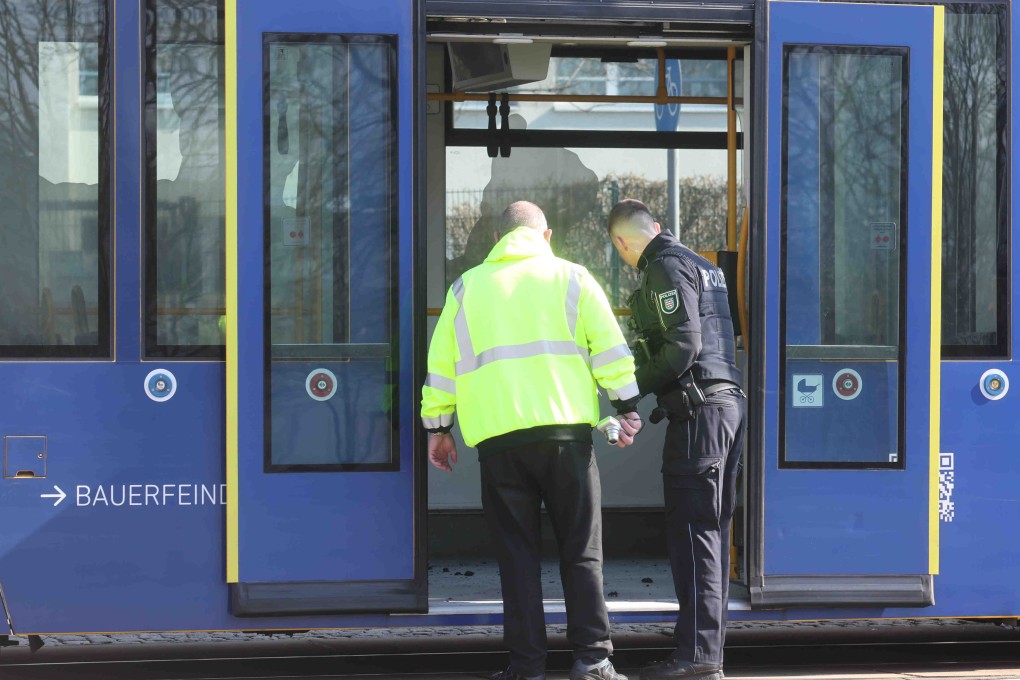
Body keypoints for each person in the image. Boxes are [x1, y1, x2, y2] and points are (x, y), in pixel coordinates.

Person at [422, 201, 643, 680]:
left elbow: (441, 369)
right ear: (545, 236)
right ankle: (592, 660)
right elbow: (609, 348)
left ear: (499, 240)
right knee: (582, 550)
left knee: (517, 558)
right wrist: (626, 405)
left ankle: (526, 666)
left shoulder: (466, 288)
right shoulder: (573, 277)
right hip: (567, 440)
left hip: (500, 445)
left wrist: (438, 430)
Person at [606, 199, 746, 680]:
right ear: (658, 227)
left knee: (694, 538)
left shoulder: (663, 267)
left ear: (622, 242)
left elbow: (684, 345)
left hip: (701, 417)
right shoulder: (702, 266)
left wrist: (628, 390)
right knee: (711, 534)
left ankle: (697, 659)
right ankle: (704, 652)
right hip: (725, 408)